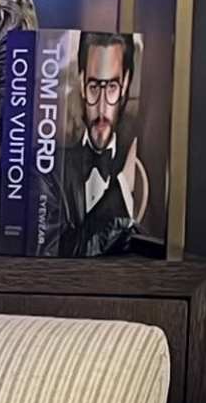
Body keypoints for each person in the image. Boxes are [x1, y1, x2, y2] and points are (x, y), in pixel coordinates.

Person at [45, 29, 153, 258]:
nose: (102, 109)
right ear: (82, 83)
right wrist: (122, 185)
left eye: (112, 87)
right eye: (94, 87)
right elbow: (60, 253)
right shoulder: (50, 167)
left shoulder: (143, 169)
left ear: (125, 85)